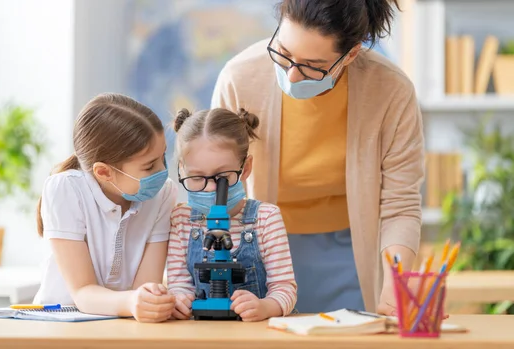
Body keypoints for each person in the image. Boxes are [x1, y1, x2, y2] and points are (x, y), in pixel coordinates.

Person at [211, 0, 424, 316]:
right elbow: (217, 184)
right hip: (261, 244)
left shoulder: (390, 90)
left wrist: (396, 286)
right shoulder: (240, 78)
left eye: (312, 65)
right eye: (283, 52)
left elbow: (400, 204)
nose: (292, 75)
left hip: (351, 249)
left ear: (349, 55)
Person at [34, 93, 177, 323]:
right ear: (103, 172)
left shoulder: (163, 194)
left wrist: (153, 300)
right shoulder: (66, 190)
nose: (162, 171)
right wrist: (132, 302)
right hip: (61, 325)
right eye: (150, 166)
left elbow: (146, 287)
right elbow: (82, 292)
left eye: (163, 157)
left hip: (125, 324)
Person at [166, 107, 297, 322]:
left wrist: (265, 307)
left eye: (222, 177)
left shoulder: (266, 218)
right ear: (182, 170)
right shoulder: (181, 218)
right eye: (196, 177)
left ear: (245, 168)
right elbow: (179, 285)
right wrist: (180, 301)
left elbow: (285, 289)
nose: (210, 189)